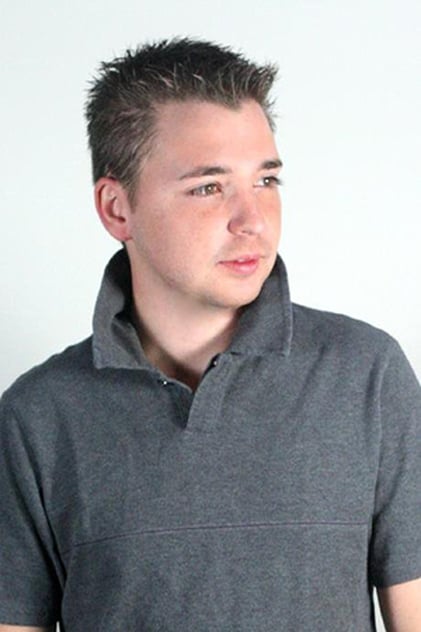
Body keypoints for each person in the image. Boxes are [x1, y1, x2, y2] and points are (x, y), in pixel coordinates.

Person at [0, 37, 420, 632]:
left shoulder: (367, 376)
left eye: (266, 181)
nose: (253, 221)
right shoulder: (36, 419)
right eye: (208, 187)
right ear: (117, 208)